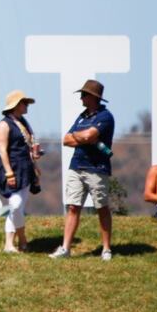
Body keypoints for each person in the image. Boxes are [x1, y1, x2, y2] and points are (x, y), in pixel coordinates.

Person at [52, 79, 116, 261]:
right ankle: (65, 248)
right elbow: (66, 140)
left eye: (84, 94)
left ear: (93, 97)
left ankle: (106, 249)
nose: (81, 97)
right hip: (76, 166)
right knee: (73, 206)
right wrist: (85, 137)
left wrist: (81, 137)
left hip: (97, 168)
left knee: (101, 208)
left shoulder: (105, 116)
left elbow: (88, 136)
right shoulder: (82, 117)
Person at [0, 90, 43, 253]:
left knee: (17, 208)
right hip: (11, 169)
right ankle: (22, 239)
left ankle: (9, 244)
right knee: (15, 205)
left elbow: (27, 148)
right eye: (24, 102)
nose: (27, 105)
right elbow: (2, 151)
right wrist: (8, 172)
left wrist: (35, 159)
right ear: (15, 105)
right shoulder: (4, 125)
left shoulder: (24, 123)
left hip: (26, 170)